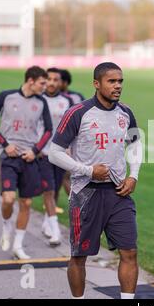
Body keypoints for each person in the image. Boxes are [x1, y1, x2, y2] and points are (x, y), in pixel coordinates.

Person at [49, 62, 142, 299]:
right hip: (86, 193)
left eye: (120, 81)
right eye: (112, 81)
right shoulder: (78, 112)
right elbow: (54, 152)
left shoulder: (126, 112)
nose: (118, 85)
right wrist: (88, 170)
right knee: (79, 256)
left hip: (119, 193)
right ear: (96, 84)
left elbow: (136, 144)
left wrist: (133, 175)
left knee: (130, 251)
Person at [0, 66, 53, 260]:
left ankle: (18, 245)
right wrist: (5, 144)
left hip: (29, 158)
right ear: (31, 81)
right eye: (42, 83)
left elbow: (48, 130)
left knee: (27, 202)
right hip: (8, 157)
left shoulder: (41, 103)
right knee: (8, 199)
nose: (45, 86)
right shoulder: (6, 96)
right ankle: (7, 225)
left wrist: (35, 151)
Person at [39, 67, 74, 245]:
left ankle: (47, 221)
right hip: (43, 153)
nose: (52, 83)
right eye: (49, 79)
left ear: (61, 82)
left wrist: (70, 147)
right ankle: (55, 232)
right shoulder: (38, 99)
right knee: (49, 190)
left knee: (57, 189)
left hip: (61, 153)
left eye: (56, 79)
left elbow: (72, 128)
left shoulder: (67, 101)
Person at [56, 69, 85, 212]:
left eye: (58, 80)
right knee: (62, 176)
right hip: (60, 141)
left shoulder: (74, 98)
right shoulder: (75, 96)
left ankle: (76, 206)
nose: (54, 82)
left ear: (65, 82)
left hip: (71, 141)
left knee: (64, 176)